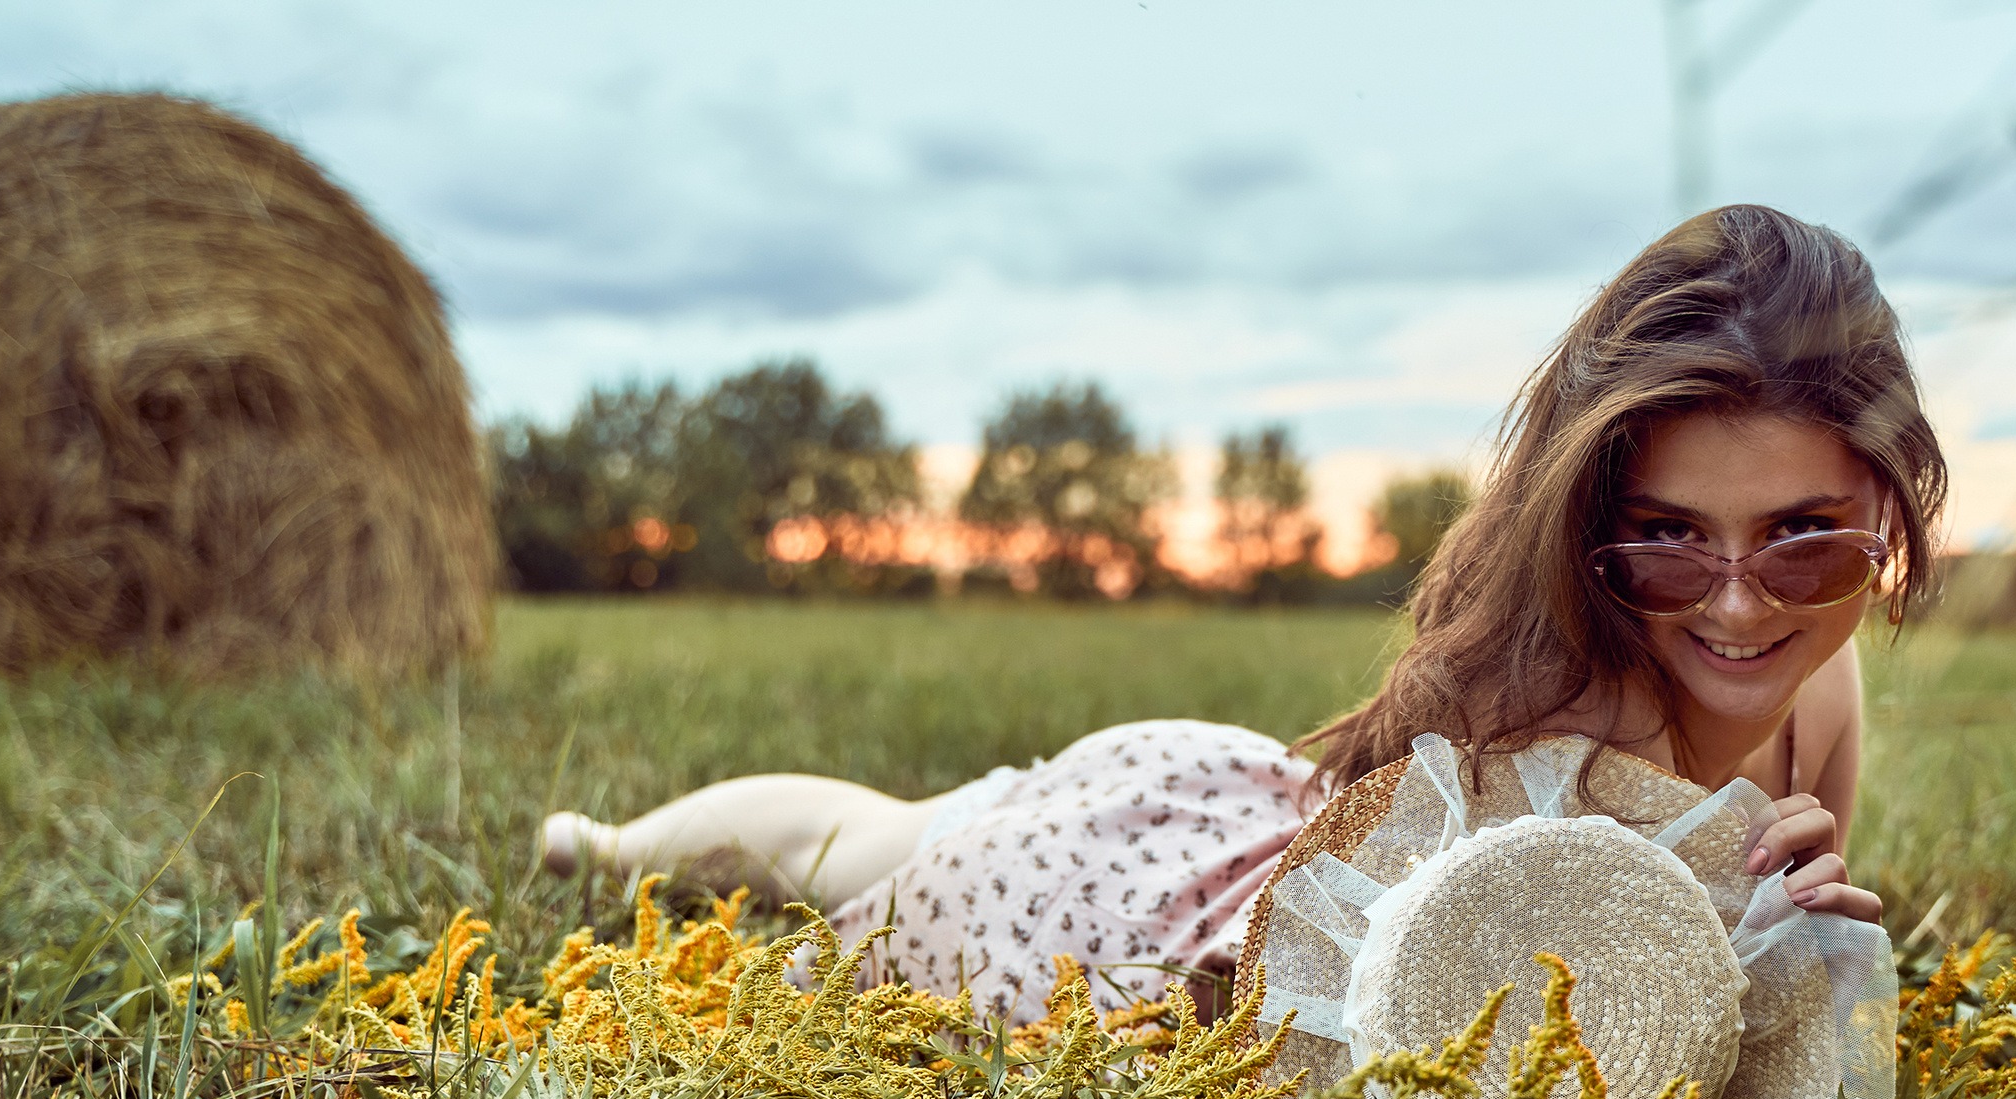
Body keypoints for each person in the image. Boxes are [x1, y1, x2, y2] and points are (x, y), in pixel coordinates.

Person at [540, 204, 1945, 1020]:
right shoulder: (1578, 743)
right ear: (1590, 532)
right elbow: (1454, 1070)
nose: (1746, 602)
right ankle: (616, 848)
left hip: (1246, 808)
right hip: (1175, 921)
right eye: (1667, 544)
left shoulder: (1822, 690)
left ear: (1882, 513)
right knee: (891, 846)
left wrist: (1803, 932)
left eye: (1808, 542)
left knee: (933, 812)